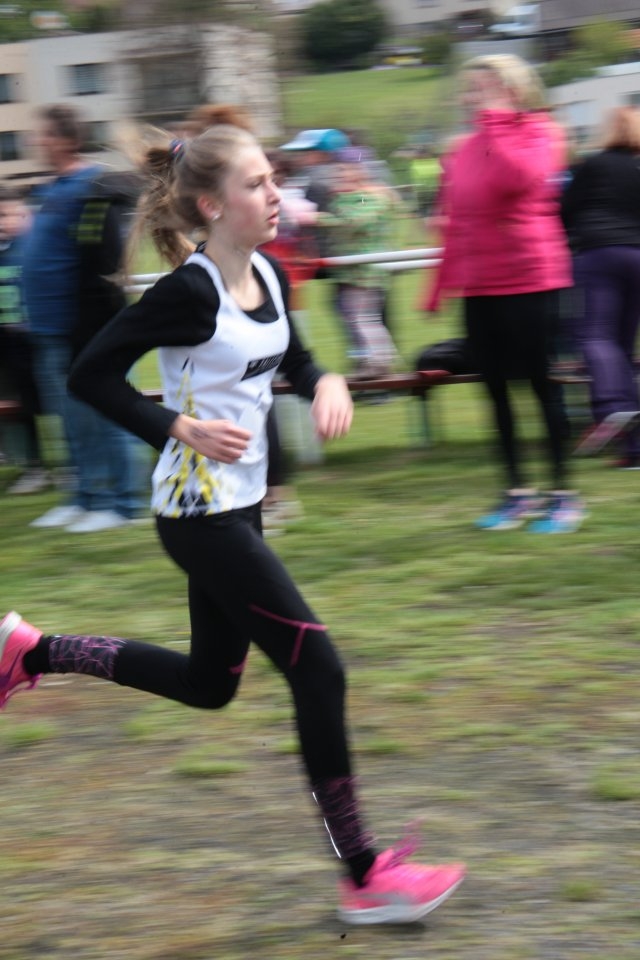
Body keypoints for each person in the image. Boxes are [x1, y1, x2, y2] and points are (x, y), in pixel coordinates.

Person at [0, 124, 465, 925]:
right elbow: (90, 375)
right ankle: (364, 875)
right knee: (319, 670)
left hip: (240, 505)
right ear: (214, 205)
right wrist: (177, 427)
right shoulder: (189, 292)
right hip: (198, 512)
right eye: (256, 183)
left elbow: (297, 357)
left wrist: (326, 383)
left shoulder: (272, 272)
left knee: (208, 685)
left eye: (274, 177)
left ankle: (32, 650)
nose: (276, 193)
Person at [426, 54, 582, 532]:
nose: (471, 97)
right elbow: (456, 222)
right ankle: (516, 493)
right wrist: (439, 286)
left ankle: (563, 495)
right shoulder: (464, 148)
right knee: (494, 391)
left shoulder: (542, 132)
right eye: (470, 89)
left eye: (482, 88)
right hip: (481, 285)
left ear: (512, 90)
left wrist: (496, 123)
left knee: (540, 387)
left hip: (532, 277)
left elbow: (523, 179)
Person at [21, 104, 143, 532]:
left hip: (83, 328)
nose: (36, 141)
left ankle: (122, 504)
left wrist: (95, 327)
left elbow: (105, 264)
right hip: (47, 329)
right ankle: (85, 498)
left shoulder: (92, 188)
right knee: (72, 422)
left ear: (66, 139)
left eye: (44, 134)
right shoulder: (52, 189)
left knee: (104, 415)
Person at [560, 106, 640, 468]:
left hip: (597, 256)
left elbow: (565, 211)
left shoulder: (593, 165)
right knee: (622, 349)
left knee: (593, 336)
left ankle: (612, 407)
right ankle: (634, 450)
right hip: (637, 257)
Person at [320, 147, 398, 379]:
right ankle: (370, 359)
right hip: (352, 272)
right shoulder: (348, 196)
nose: (339, 176)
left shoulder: (366, 195)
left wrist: (317, 218)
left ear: (359, 171)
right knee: (355, 317)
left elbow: (357, 220)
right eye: (337, 171)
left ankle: (380, 361)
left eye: (344, 170)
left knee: (363, 318)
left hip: (364, 273)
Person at [0, 184, 49, 494]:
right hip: (6, 341)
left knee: (53, 401)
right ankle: (34, 465)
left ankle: (73, 466)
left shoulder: (35, 246)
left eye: (14, 214)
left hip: (37, 337)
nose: (7, 221)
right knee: (18, 405)